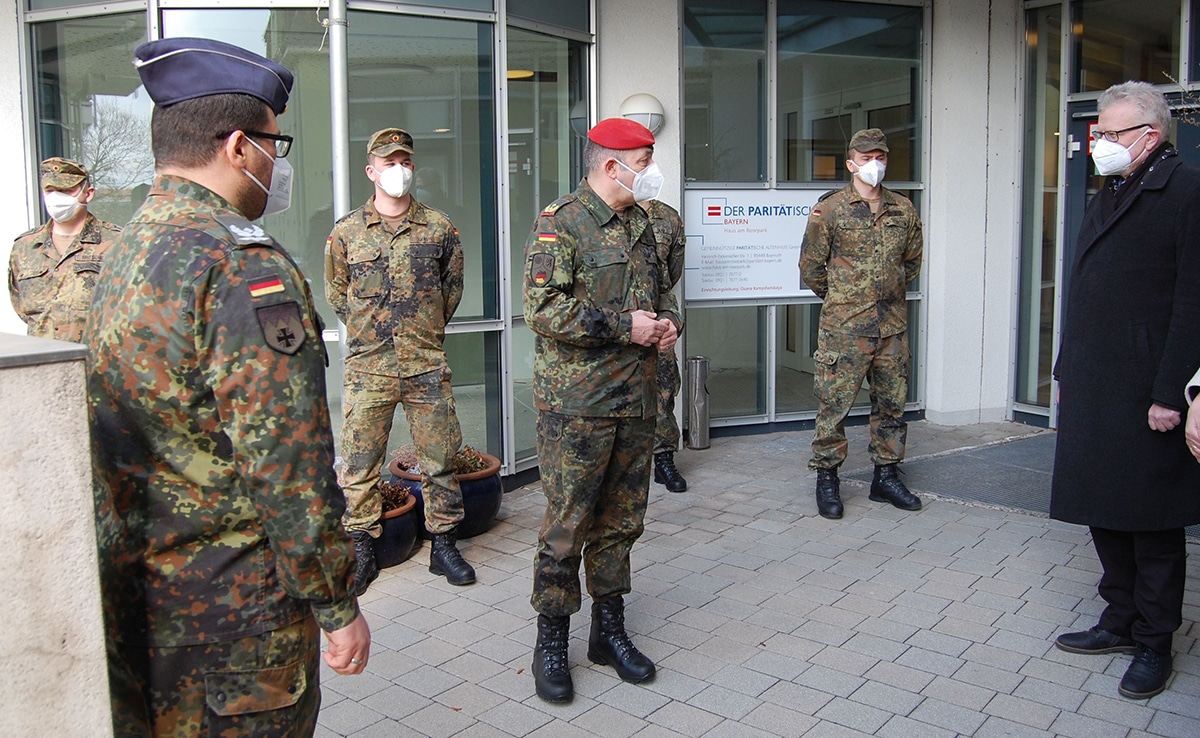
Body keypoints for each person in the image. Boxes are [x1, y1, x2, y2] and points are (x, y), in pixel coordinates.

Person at [84, 38, 370, 736]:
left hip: (134, 609)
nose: (281, 160)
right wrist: (336, 604)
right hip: (234, 628)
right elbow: (287, 464)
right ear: (241, 146)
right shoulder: (238, 265)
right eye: (279, 141)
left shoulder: (126, 249)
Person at [1050, 80, 1200, 701]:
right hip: (1094, 382)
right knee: (1102, 509)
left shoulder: (1187, 191)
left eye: (1110, 134)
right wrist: (1063, 371)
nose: (1098, 144)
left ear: (1150, 136)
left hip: (1147, 390)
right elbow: (1085, 286)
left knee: (1150, 523)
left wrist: (1172, 393)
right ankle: (1118, 619)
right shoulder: (1111, 189)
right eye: (1098, 133)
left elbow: (1193, 301)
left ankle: (1155, 641)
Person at [523, 117, 681, 703]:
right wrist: (625, 327)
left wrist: (667, 326)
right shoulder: (560, 222)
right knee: (567, 526)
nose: (651, 170)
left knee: (621, 522)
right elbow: (541, 308)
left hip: (636, 400)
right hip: (578, 406)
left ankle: (607, 633)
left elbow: (661, 295)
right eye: (644, 159)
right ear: (610, 165)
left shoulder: (645, 224)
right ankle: (552, 643)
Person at [325, 127, 473, 591]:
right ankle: (363, 547)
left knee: (439, 457)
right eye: (389, 163)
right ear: (371, 171)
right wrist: (376, 333)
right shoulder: (346, 232)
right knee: (359, 460)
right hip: (369, 366)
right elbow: (337, 294)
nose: (399, 170)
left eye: (405, 161)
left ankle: (444, 543)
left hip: (424, 363)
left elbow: (452, 290)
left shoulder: (439, 227)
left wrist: (421, 333)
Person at [798, 128, 923, 520]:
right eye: (866, 158)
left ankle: (885, 476)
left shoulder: (902, 209)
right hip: (845, 330)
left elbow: (912, 263)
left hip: (891, 330)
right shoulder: (830, 210)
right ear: (851, 163)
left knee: (891, 406)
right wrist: (844, 300)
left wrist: (883, 295)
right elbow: (811, 268)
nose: (874, 164)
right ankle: (827, 478)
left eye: (880, 157)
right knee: (833, 408)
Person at [8, 157, 121, 342]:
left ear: (88, 193)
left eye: (66, 191)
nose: (56, 198)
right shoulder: (25, 246)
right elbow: (22, 307)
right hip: (44, 363)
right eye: (50, 190)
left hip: (96, 363)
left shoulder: (116, 242)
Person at [643, 198, 688, 492]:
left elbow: (669, 276)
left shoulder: (668, 218)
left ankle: (664, 458)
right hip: (613, 323)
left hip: (657, 318)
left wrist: (667, 316)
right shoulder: (590, 214)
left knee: (663, 388)